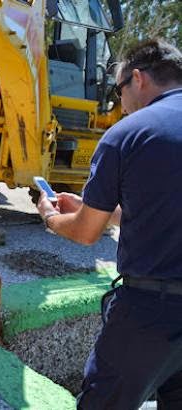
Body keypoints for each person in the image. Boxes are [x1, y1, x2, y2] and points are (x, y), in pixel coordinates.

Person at [37, 39, 182, 409]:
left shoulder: (129, 133)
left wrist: (52, 217)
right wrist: (98, 209)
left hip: (151, 313)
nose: (120, 103)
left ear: (138, 78)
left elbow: (86, 232)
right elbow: (162, 211)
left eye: (120, 91)